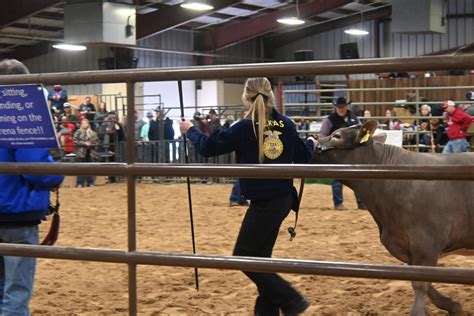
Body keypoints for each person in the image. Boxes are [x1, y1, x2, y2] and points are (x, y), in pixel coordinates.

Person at [180, 77, 315, 315]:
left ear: (246, 96)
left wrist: (190, 130)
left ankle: (292, 300)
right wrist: (311, 143)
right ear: (271, 95)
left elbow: (208, 148)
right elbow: (304, 158)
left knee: (243, 256)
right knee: (261, 259)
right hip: (283, 199)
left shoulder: (244, 127)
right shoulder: (287, 124)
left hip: (265, 203)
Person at [0, 58, 65, 315]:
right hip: (17, 213)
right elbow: (35, 168)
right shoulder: (25, 113)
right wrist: (57, 174)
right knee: (16, 290)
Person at [319, 96, 366, 210]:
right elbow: (322, 136)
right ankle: (338, 203)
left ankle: (361, 203)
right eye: (339, 107)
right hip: (337, 154)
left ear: (346, 107)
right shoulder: (330, 120)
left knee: (357, 179)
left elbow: (360, 132)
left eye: (343, 107)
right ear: (336, 108)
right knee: (337, 178)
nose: (341, 109)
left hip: (353, 153)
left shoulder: (354, 118)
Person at [73, 118, 99, 187]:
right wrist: (84, 143)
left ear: (88, 124)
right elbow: (75, 140)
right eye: (82, 123)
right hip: (81, 152)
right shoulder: (78, 132)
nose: (84, 124)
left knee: (89, 167)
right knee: (80, 168)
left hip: (90, 152)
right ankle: (79, 183)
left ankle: (90, 182)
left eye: (85, 123)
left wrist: (91, 144)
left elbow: (97, 142)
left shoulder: (93, 133)